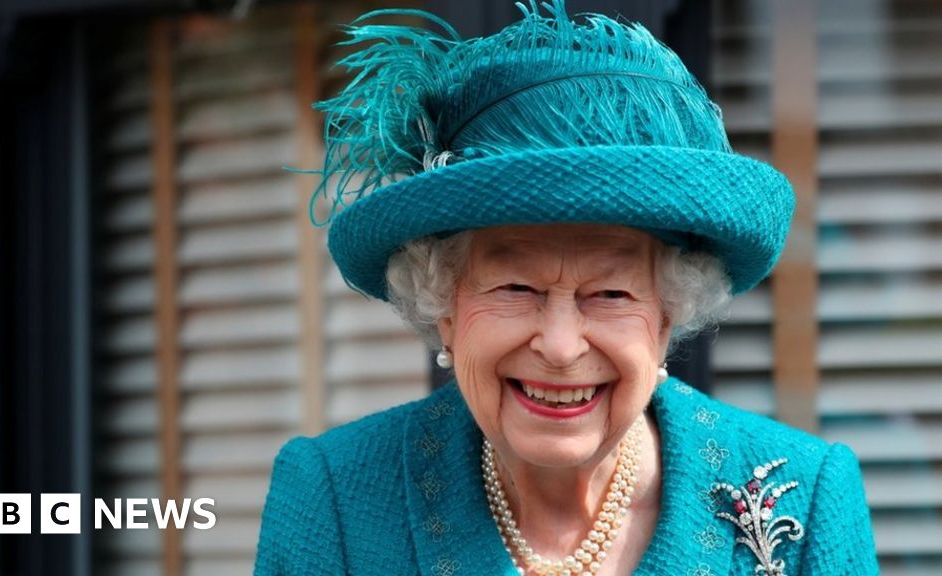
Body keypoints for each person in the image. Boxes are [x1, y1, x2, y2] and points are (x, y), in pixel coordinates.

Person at [253, 2, 878, 574]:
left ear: (667, 317)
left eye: (609, 295)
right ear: (443, 306)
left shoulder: (806, 498)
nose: (559, 345)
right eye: (516, 287)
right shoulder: (333, 500)